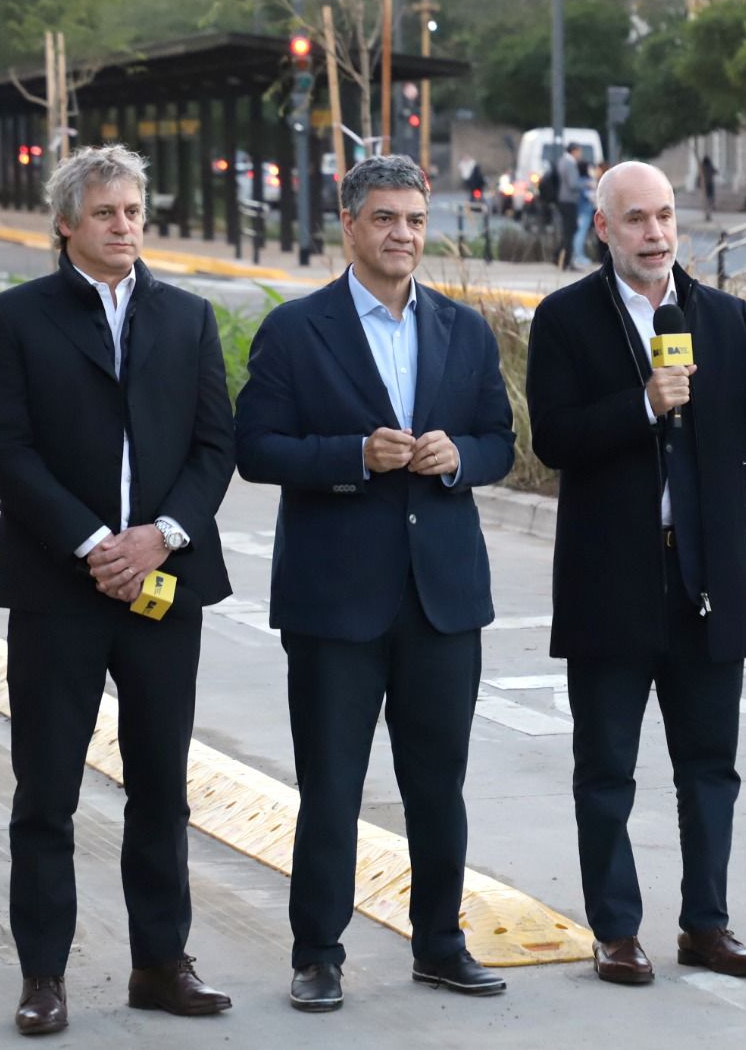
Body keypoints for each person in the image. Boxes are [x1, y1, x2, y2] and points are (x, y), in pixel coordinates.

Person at [525, 161, 746, 985]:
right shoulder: (565, 320)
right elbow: (553, 438)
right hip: (610, 582)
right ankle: (616, 929)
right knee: (606, 769)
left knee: (710, 767)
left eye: (665, 216)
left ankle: (707, 923)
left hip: (707, 584)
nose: (655, 233)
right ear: (603, 228)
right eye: (636, 219)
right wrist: (642, 405)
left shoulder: (724, 317)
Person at [234, 155, 516, 1011]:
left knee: (439, 782)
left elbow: (500, 440)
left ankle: (440, 941)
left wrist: (458, 457)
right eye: (386, 219)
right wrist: (353, 456)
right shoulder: (294, 330)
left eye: (416, 222)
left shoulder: (464, 330)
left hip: (442, 597)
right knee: (332, 784)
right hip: (335, 599)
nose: (403, 236)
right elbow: (256, 450)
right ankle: (318, 952)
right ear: (349, 225)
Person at [0, 144, 236, 1035]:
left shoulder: (188, 318)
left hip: (163, 582)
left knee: (162, 785)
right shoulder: (15, 319)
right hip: (57, 586)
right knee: (46, 789)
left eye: (134, 212)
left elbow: (212, 447)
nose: (126, 227)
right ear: (66, 224)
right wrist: (94, 543)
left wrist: (161, 536)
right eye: (108, 213)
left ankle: (161, 962)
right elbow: (3, 451)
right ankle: (43, 975)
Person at [556, 142, 584, 270]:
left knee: (567, 230)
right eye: (579, 151)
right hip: (569, 200)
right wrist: (585, 185)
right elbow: (573, 184)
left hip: (562, 199)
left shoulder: (562, 161)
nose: (580, 154)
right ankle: (566, 261)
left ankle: (558, 256)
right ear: (574, 151)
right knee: (571, 230)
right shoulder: (570, 163)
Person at [570, 157, 595, 267]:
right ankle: (578, 256)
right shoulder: (586, 182)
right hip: (584, 211)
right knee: (580, 234)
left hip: (580, 210)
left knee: (579, 234)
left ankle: (578, 255)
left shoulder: (578, 180)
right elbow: (590, 196)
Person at [699, 154, 718, 221]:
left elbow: (699, 176)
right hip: (709, 184)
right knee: (710, 199)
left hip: (705, 185)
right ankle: (709, 212)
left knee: (707, 200)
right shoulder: (709, 166)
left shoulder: (702, 167)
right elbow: (716, 172)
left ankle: (708, 214)